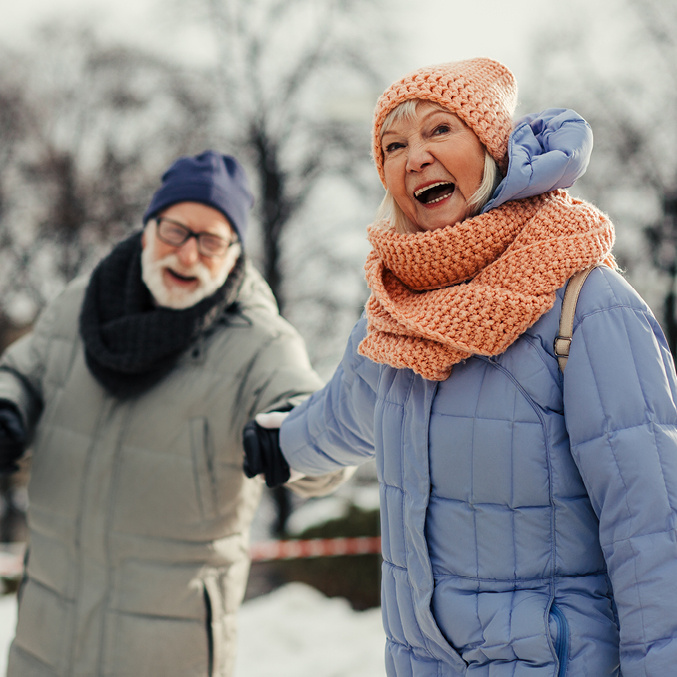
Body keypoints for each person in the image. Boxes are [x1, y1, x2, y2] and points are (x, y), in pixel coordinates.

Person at [243, 59, 677, 675]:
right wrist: (279, 444)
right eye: (394, 145)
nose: (415, 157)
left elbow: (654, 530)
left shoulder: (587, 304)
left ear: (492, 147)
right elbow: (344, 414)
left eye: (439, 130)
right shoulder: (395, 316)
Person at [0, 150, 348, 677]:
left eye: (211, 241)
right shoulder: (79, 305)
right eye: (176, 232)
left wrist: (292, 442)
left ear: (234, 253)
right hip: (46, 640)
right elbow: (21, 372)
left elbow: (316, 423)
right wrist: (8, 409)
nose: (188, 256)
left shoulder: (261, 342)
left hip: (167, 650)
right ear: (147, 230)